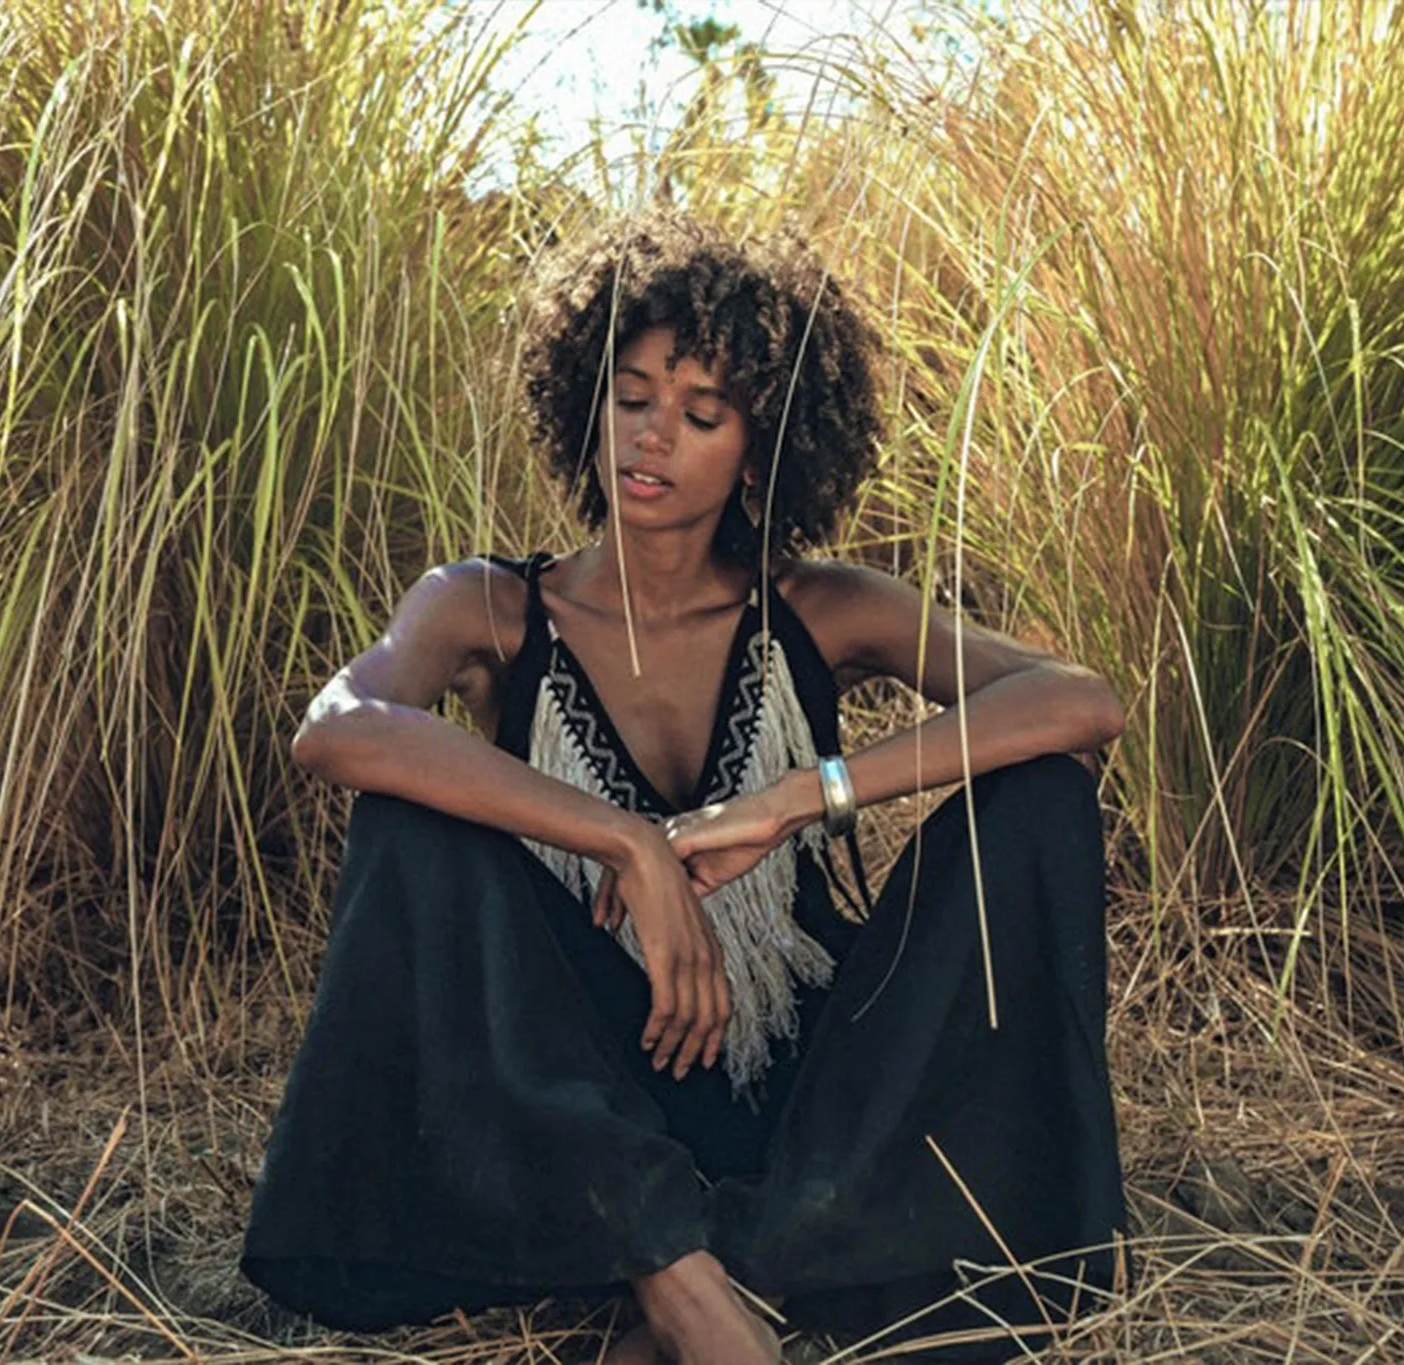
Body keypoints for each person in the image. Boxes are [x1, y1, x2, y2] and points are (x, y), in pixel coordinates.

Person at [241, 212, 1128, 1363]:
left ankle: (752, 1243)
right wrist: (630, 845)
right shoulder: (489, 609)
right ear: (583, 403)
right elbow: (339, 727)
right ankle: (669, 1265)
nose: (651, 437)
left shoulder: (818, 607)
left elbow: (1077, 701)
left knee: (1035, 801)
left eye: (701, 412)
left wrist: (795, 798)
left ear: (758, 448)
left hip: (798, 1089)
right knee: (414, 818)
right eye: (630, 397)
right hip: (572, 1083)